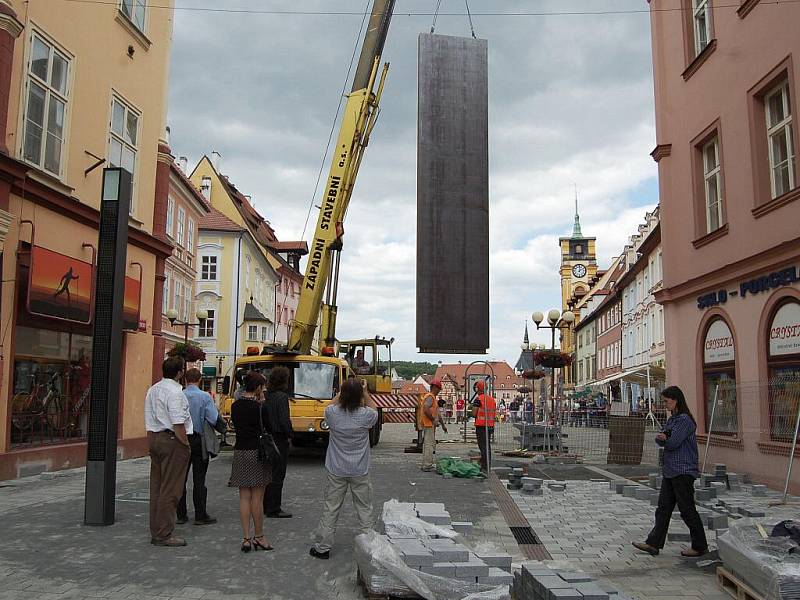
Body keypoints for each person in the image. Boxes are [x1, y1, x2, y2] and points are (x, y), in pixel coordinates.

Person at [633, 385, 708, 558]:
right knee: (663, 508)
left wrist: (666, 438)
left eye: (666, 401)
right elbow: (662, 438)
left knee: (687, 509)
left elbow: (673, 443)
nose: (665, 404)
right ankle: (653, 544)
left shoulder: (685, 421)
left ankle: (700, 546)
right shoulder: (673, 419)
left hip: (683, 471)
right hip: (670, 470)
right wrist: (663, 438)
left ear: (675, 400)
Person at [310, 378, 379, 559]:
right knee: (364, 508)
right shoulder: (366, 415)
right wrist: (364, 392)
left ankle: (323, 547)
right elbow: (375, 409)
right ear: (359, 396)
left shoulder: (333, 413)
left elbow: (329, 405)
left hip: (336, 468)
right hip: (360, 469)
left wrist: (342, 392)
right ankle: (370, 547)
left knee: (331, 508)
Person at [144, 357, 192, 547]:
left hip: (156, 437)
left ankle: (156, 529)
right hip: (172, 439)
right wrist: (185, 443)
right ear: (180, 372)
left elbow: (149, 417)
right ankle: (164, 533)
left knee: (156, 487)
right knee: (171, 489)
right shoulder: (175, 392)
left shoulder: (153, 389)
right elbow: (178, 422)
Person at [229, 372, 274, 553]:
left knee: (244, 497)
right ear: (257, 388)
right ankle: (259, 536)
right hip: (257, 452)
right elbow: (269, 427)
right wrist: (262, 401)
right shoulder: (260, 408)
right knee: (258, 497)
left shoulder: (235, 406)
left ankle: (246, 538)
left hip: (240, 452)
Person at [177, 368, 219, 526]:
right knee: (199, 479)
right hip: (199, 439)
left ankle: (181, 514)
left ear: (186, 379)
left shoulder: (180, 395)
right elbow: (213, 418)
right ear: (200, 379)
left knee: (181, 478)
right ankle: (200, 515)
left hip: (182, 439)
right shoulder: (205, 397)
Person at [263, 366, 293, 519]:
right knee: (278, 474)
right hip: (280, 437)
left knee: (269, 472)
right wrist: (290, 434)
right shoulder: (282, 397)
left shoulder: (267, 395)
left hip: (269, 436)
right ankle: (274, 507)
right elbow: (284, 420)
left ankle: (265, 504)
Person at [419, 379, 446, 471]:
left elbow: (437, 413)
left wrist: (442, 425)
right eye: (439, 389)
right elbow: (426, 409)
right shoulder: (430, 397)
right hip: (428, 424)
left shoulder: (433, 398)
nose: (439, 391)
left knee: (430, 444)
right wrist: (433, 420)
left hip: (430, 424)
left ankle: (427, 464)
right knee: (429, 444)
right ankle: (427, 465)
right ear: (434, 387)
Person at [471, 380, 497, 473]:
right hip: (490, 425)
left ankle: (484, 467)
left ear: (478, 389)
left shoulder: (478, 399)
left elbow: (474, 413)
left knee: (482, 447)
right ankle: (488, 466)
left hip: (481, 426)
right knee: (487, 446)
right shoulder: (492, 399)